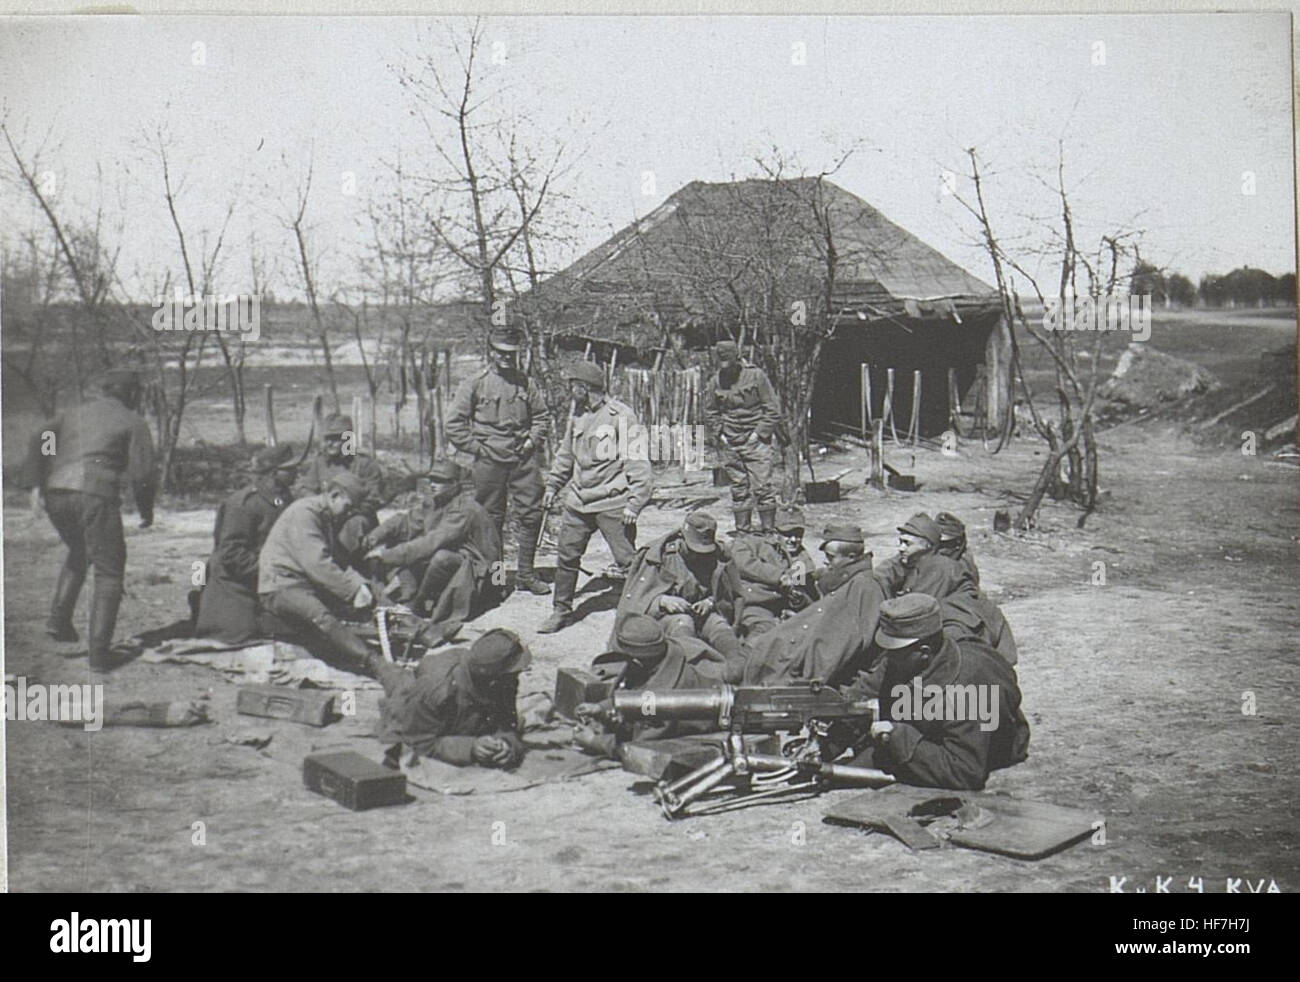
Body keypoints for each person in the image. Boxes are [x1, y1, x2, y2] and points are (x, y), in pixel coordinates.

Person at [26, 368, 157, 670]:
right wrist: (146, 510)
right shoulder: (132, 421)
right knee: (110, 570)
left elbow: (42, 436)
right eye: (137, 393)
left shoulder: (74, 414)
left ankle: (59, 622)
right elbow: (144, 475)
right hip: (94, 495)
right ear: (130, 393)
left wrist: (38, 480)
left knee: (81, 551)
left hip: (57, 493)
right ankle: (99, 655)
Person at [857, 594, 1029, 790]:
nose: (887, 656)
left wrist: (897, 736)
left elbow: (965, 772)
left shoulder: (971, 685)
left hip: (974, 753)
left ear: (924, 651)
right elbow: (863, 692)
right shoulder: (906, 658)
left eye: (894, 650)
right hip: (928, 740)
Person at [536, 361, 653, 634]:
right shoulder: (576, 414)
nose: (568, 390)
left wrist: (635, 502)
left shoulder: (621, 416)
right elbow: (566, 454)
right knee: (567, 557)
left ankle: (645, 608)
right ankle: (560, 610)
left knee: (629, 562)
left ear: (584, 387)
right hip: (578, 501)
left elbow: (637, 461)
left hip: (612, 502)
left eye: (572, 385)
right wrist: (553, 485)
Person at [444, 327, 551, 596]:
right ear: (491, 352)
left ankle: (526, 573)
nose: (506, 358)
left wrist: (531, 442)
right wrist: (477, 449)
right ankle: (498, 578)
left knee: (532, 514)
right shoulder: (475, 383)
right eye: (501, 352)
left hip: (522, 458)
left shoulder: (525, 383)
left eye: (511, 354)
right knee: (490, 519)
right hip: (489, 461)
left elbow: (541, 416)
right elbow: (453, 424)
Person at [258, 472, 385, 677]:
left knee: (352, 613)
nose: (349, 513)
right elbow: (318, 563)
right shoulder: (305, 513)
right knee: (323, 618)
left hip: (301, 584)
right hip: (280, 586)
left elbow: (338, 558)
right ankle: (375, 664)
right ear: (334, 495)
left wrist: (361, 585)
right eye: (348, 506)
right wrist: (353, 591)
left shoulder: (325, 515)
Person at [362, 460, 503, 642]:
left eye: (439, 481)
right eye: (431, 480)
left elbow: (432, 542)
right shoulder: (437, 501)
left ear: (454, 485)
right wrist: (374, 536)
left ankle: (418, 604)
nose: (432, 485)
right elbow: (405, 521)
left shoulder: (463, 509)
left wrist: (385, 556)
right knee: (410, 546)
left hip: (483, 573)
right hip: (461, 560)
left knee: (438, 557)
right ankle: (408, 597)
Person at [740, 525, 886, 686]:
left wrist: (803, 677)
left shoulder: (865, 588)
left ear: (851, 557)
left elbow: (840, 646)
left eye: (830, 557)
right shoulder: (850, 579)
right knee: (765, 645)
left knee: (763, 656)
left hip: (809, 665)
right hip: (800, 639)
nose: (825, 561)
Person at [571, 613, 732, 757]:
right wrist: (602, 708)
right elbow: (633, 688)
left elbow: (640, 744)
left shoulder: (664, 696)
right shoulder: (658, 655)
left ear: (637, 659)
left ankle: (719, 627)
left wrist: (594, 741)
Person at [609, 511, 743, 679]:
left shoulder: (716, 555)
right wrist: (662, 601)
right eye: (693, 548)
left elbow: (727, 593)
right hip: (666, 617)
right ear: (681, 537)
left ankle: (739, 666)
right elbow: (634, 601)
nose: (698, 555)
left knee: (720, 626)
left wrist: (710, 601)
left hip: (702, 613)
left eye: (703, 550)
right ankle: (704, 672)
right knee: (683, 624)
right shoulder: (659, 555)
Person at [375, 628, 530, 769]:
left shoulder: (503, 680)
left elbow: (506, 723)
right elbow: (419, 743)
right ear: (493, 678)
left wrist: (506, 744)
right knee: (391, 676)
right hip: (415, 694)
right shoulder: (436, 690)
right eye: (513, 672)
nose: (516, 676)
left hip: (443, 694)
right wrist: (470, 747)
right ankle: (372, 660)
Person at [876, 512, 1017, 666]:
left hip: (965, 636)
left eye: (907, 543)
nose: (901, 548)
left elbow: (917, 612)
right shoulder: (917, 557)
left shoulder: (945, 566)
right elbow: (887, 571)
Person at [193, 443, 299, 644]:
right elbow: (230, 553)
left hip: (266, 578)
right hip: (237, 583)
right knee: (240, 633)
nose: (296, 472)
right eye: (290, 469)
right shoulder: (243, 504)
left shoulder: (283, 498)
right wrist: (269, 571)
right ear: (274, 472)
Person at [703, 339, 781, 532]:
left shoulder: (756, 376)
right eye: (723, 364)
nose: (727, 369)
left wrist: (758, 434)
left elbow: (772, 410)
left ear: (737, 359)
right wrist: (720, 434)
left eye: (729, 364)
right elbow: (710, 411)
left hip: (755, 441)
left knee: (762, 488)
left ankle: (768, 533)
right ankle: (743, 533)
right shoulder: (716, 381)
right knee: (739, 489)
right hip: (730, 442)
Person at [292, 413, 387, 564]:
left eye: (336, 439)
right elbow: (305, 488)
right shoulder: (321, 462)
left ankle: (342, 565)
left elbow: (373, 499)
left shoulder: (364, 464)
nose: (330, 443)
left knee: (355, 524)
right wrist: (319, 504)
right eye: (327, 439)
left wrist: (347, 510)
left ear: (348, 438)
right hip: (327, 515)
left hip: (354, 519)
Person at [727, 505, 818, 639]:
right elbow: (741, 562)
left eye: (798, 535)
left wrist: (797, 599)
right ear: (775, 533)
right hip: (756, 604)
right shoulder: (753, 543)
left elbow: (805, 591)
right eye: (787, 534)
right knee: (762, 634)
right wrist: (779, 576)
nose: (793, 540)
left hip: (783, 607)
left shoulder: (802, 559)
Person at [935, 511, 980, 587]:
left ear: (957, 542)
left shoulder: (963, 565)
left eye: (945, 544)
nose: (939, 549)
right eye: (937, 542)